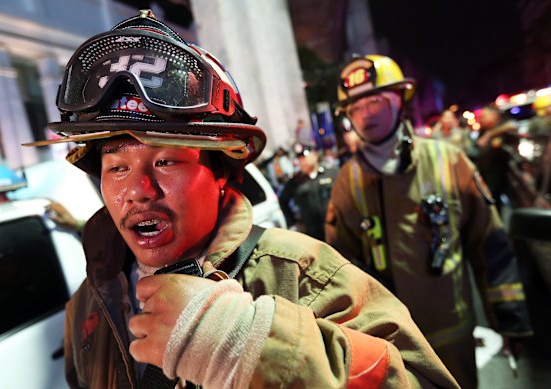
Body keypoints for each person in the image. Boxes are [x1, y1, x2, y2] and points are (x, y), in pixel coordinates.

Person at [26, 11, 459, 388]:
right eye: (117, 168)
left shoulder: (306, 279)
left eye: (166, 162)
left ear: (222, 174)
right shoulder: (90, 301)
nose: (138, 190)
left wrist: (248, 346)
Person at [326, 54, 533, 389]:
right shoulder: (345, 184)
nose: (366, 114)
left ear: (401, 100)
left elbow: (490, 244)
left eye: (376, 101)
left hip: (453, 340)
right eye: (355, 107)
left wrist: (509, 319)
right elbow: (340, 274)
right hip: (390, 349)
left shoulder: (448, 161)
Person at [278, 144, 338, 240]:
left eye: (304, 157)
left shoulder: (331, 174)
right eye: (299, 159)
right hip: (312, 233)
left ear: (315, 155)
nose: (302, 161)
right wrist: (293, 223)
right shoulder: (295, 182)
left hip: (335, 227)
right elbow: (282, 200)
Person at [475, 105, 519, 212]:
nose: (481, 119)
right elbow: (478, 144)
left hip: (502, 172)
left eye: (484, 116)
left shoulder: (502, 124)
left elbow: (513, 125)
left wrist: (490, 134)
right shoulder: (483, 130)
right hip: (487, 172)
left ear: (494, 115)